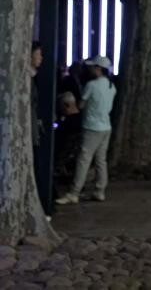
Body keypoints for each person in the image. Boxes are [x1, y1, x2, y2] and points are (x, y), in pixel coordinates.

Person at [55, 55, 116, 204]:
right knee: (101, 160)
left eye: (93, 66)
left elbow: (81, 105)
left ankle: (74, 192)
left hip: (91, 127)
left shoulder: (91, 85)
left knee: (84, 159)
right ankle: (100, 190)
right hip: (106, 126)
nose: (90, 69)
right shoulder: (111, 86)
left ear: (99, 69)